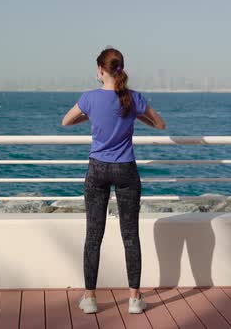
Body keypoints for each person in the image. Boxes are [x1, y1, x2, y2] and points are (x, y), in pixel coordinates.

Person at [62, 46, 166, 314]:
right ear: (120, 69)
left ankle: (90, 298)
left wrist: (91, 116)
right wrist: (134, 114)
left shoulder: (89, 98)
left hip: (97, 169)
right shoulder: (132, 98)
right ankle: (134, 300)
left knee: (93, 235)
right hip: (125, 170)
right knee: (130, 235)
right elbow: (159, 124)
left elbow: (66, 121)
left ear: (100, 70)